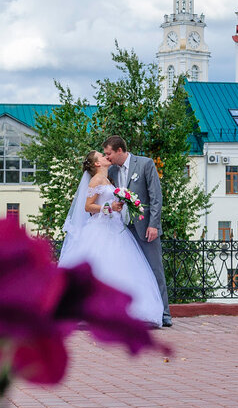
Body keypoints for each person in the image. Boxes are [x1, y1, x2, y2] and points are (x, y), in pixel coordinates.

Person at [57, 151, 163, 328]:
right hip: (99, 229)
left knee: (121, 269)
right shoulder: (96, 180)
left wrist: (120, 206)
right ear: (97, 164)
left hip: (115, 228)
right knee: (102, 268)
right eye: (101, 155)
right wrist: (110, 207)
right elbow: (88, 207)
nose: (106, 156)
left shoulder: (109, 180)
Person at [103, 135, 170, 327]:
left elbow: (156, 197)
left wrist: (154, 225)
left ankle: (164, 314)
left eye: (109, 154)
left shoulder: (145, 164)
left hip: (145, 227)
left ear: (119, 150)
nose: (108, 158)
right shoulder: (113, 171)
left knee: (155, 270)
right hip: (123, 228)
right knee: (132, 273)